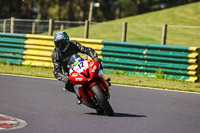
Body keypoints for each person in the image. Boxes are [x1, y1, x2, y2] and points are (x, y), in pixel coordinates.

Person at [51, 31, 110, 104]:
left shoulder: (73, 44)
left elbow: (87, 50)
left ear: (66, 41)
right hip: (69, 72)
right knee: (68, 85)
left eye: (62, 43)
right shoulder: (55, 55)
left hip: (80, 63)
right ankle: (80, 96)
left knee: (98, 63)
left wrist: (95, 58)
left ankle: (103, 80)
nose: (60, 46)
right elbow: (57, 71)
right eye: (57, 44)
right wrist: (63, 77)